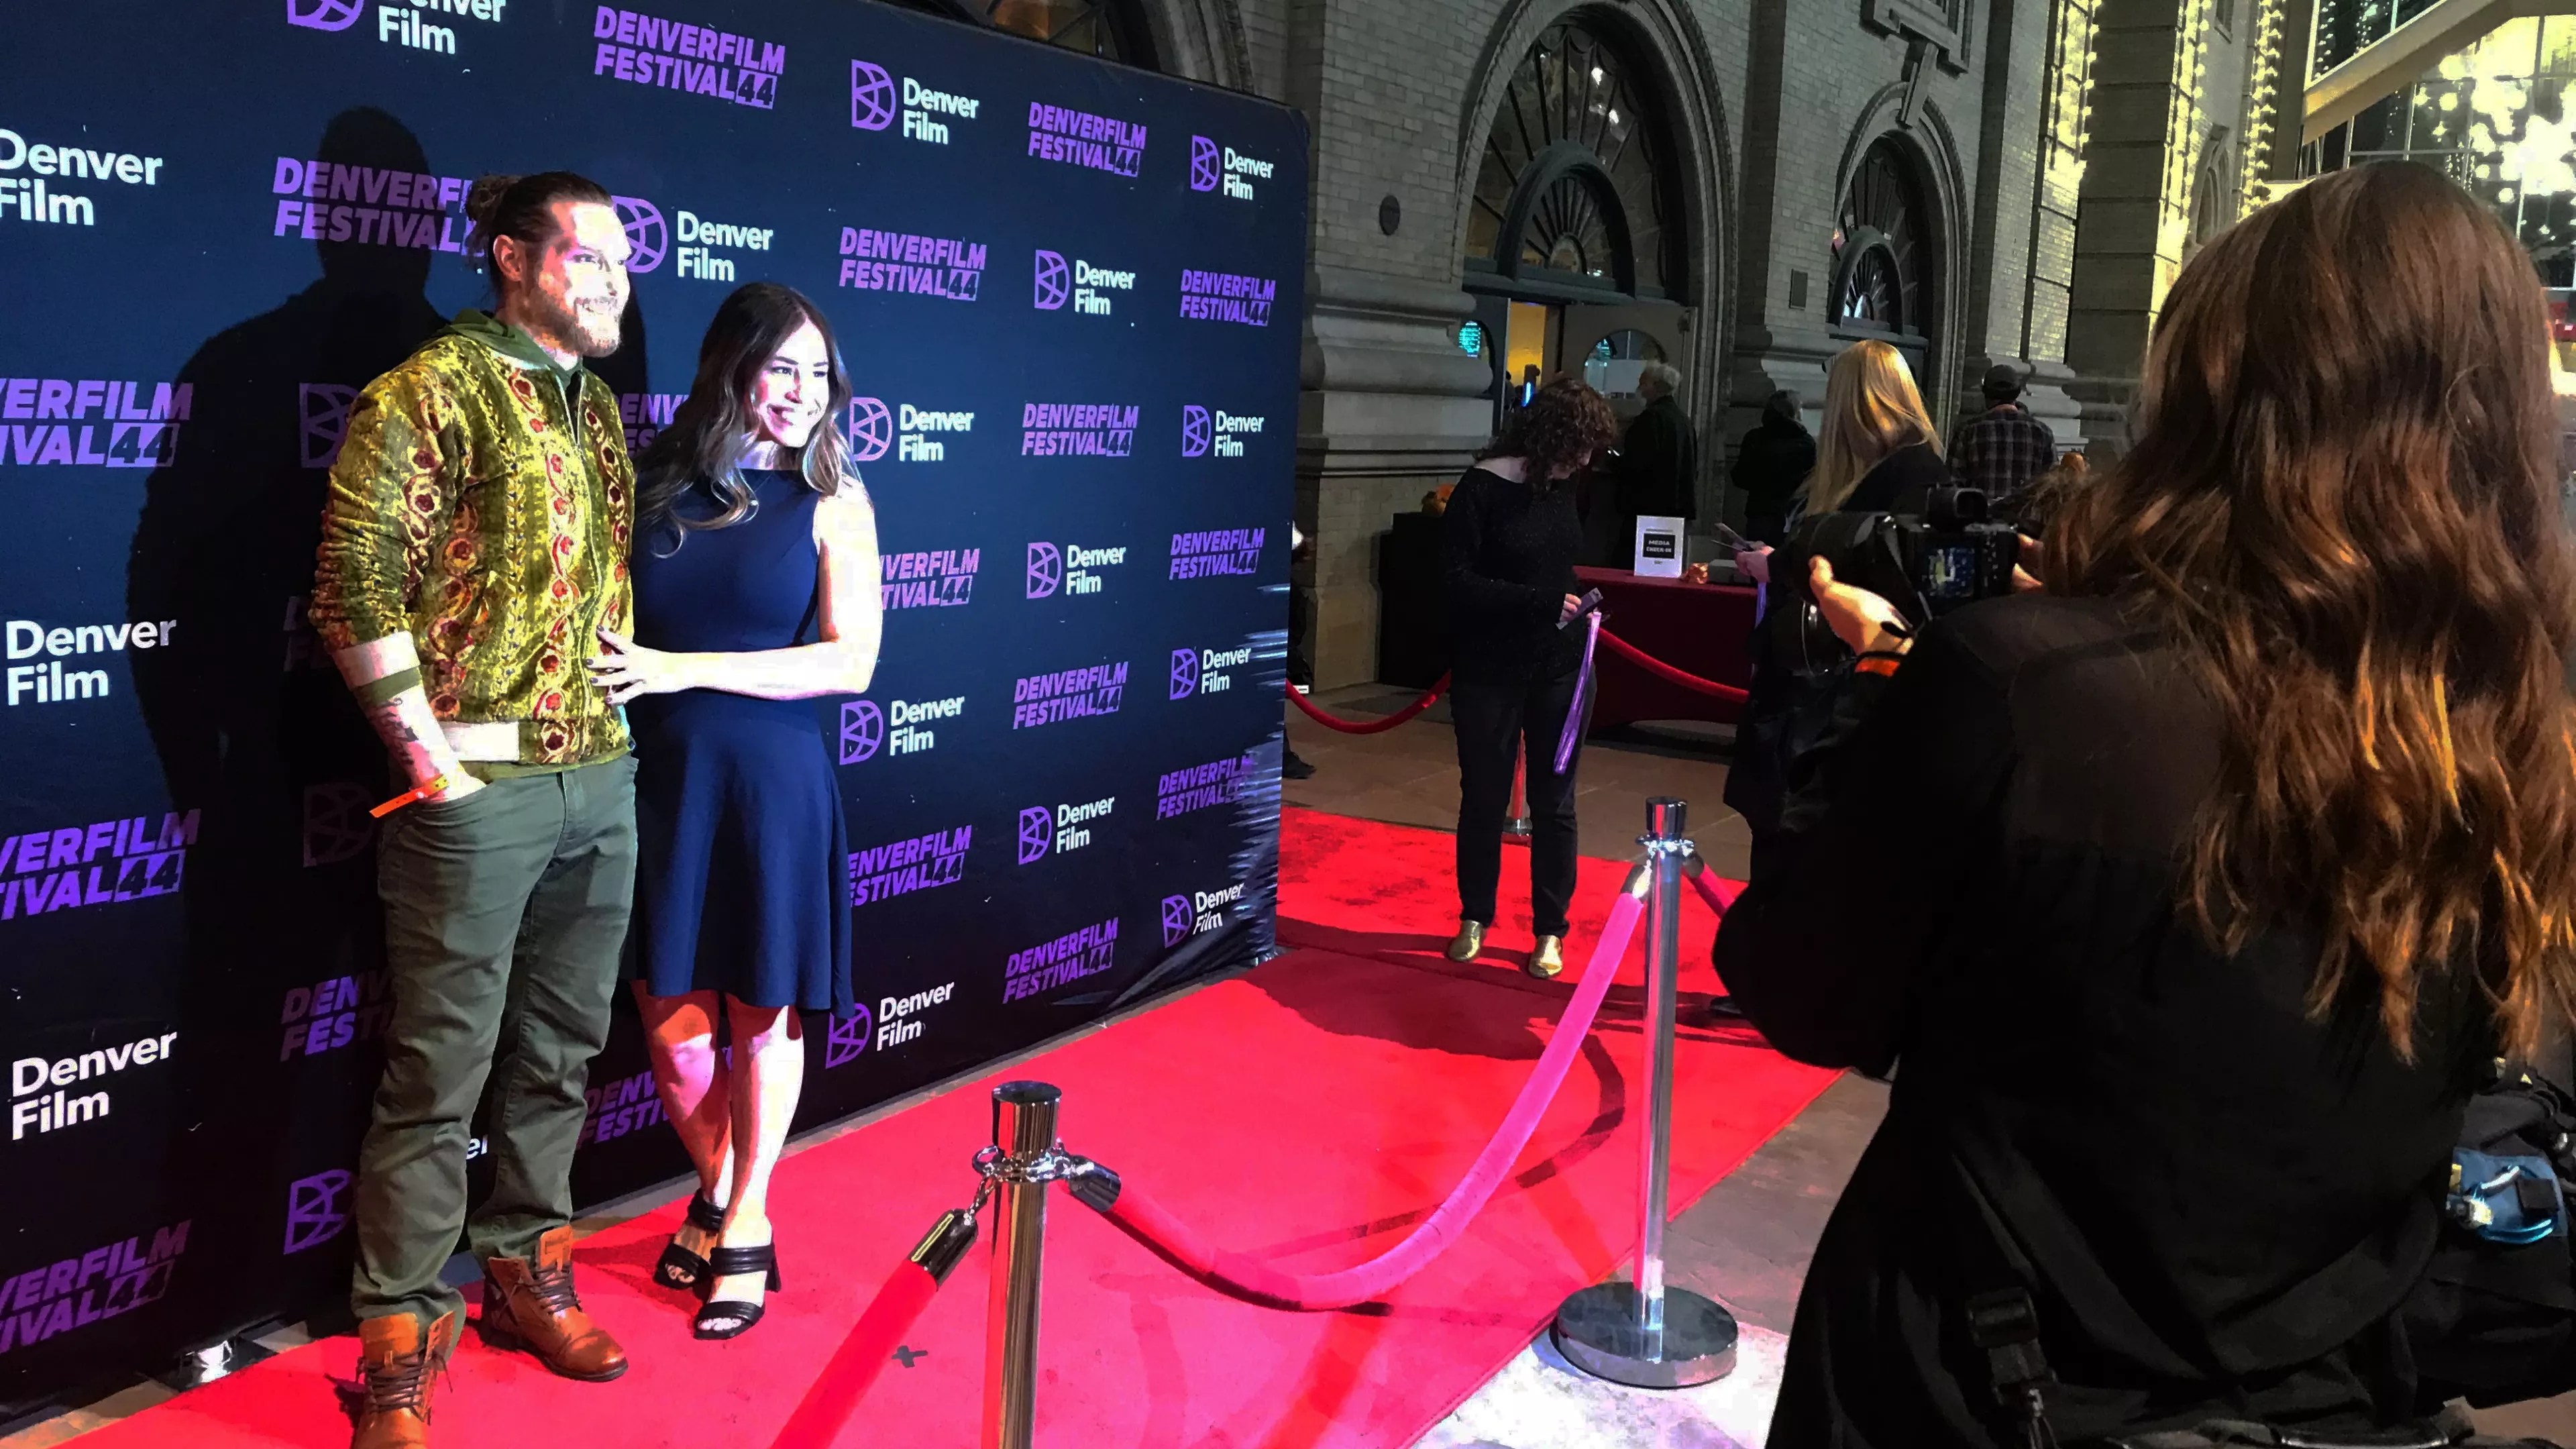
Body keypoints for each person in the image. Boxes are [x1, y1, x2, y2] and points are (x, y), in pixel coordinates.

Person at [1716, 162, 2576, 1446]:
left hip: (1975, 1389)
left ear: (2212, 396)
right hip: (2320, 1399)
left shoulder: (2024, 691)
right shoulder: (2513, 737)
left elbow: (1799, 985)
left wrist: (1878, 685)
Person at [310, 170, 637, 1448]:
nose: (612, 280)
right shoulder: (428, 390)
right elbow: (354, 581)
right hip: (474, 795)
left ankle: (526, 1271)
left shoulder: (596, 405)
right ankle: (398, 1339)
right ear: (510, 257)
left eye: (622, 260)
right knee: (437, 1075)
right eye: (587, 256)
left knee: (561, 1052)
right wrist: (428, 760)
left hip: (599, 780)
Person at [585, 283, 883, 1343]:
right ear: (732, 367)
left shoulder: (833, 500)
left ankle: (747, 1219)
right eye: (782, 369)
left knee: (763, 1015)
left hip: (770, 785)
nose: (803, 393)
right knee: (673, 1034)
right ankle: (719, 1193)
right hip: (656, 782)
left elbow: (851, 663)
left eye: (819, 374)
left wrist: (679, 667)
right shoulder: (653, 486)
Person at [1722, 340, 1943, 861]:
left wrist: (1783, 565)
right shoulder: (1900, 468)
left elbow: (1873, 566)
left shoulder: (1908, 475)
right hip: (1823, 677)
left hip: (1834, 684)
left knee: (1795, 840)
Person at [1440, 378, 1621, 978]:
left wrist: (1572, 605)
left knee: (1555, 802)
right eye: (1580, 447)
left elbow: (1556, 566)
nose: (1586, 462)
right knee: (1484, 797)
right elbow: (1454, 583)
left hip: (1561, 664)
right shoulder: (1481, 488)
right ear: (1551, 438)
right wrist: (1538, 602)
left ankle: (1550, 929)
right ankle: (1475, 915)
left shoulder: (1562, 485)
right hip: (1489, 665)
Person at [1607, 361, 1698, 562]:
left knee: (1633, 562)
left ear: (1655, 386)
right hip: (1676, 510)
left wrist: (1612, 462)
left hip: (1647, 509)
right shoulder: (1683, 420)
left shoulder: (1651, 418)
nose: (1639, 388)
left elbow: (1636, 464)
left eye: (1643, 383)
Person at [1947, 361, 2061, 506]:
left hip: (1980, 516)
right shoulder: (2042, 432)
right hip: (2024, 517)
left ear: (1986, 394)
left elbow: (1952, 484)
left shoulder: (1968, 431)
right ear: (2017, 393)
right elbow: (2053, 486)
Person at [1729, 388, 1815, 546]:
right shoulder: (1806, 443)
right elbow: (1811, 481)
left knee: (1757, 556)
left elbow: (1740, 477)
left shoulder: (1754, 438)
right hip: (1791, 515)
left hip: (1760, 513)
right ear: (1795, 411)